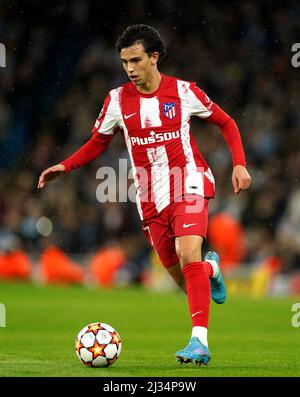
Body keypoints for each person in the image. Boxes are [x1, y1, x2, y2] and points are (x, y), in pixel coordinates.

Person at [38, 24, 252, 366]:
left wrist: (239, 165)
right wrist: (65, 166)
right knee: (181, 275)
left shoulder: (183, 92)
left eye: (136, 60)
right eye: (124, 62)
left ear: (154, 58)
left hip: (189, 179)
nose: (130, 68)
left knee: (187, 251)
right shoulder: (117, 100)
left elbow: (227, 123)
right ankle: (211, 270)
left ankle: (199, 343)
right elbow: (98, 141)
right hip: (149, 195)